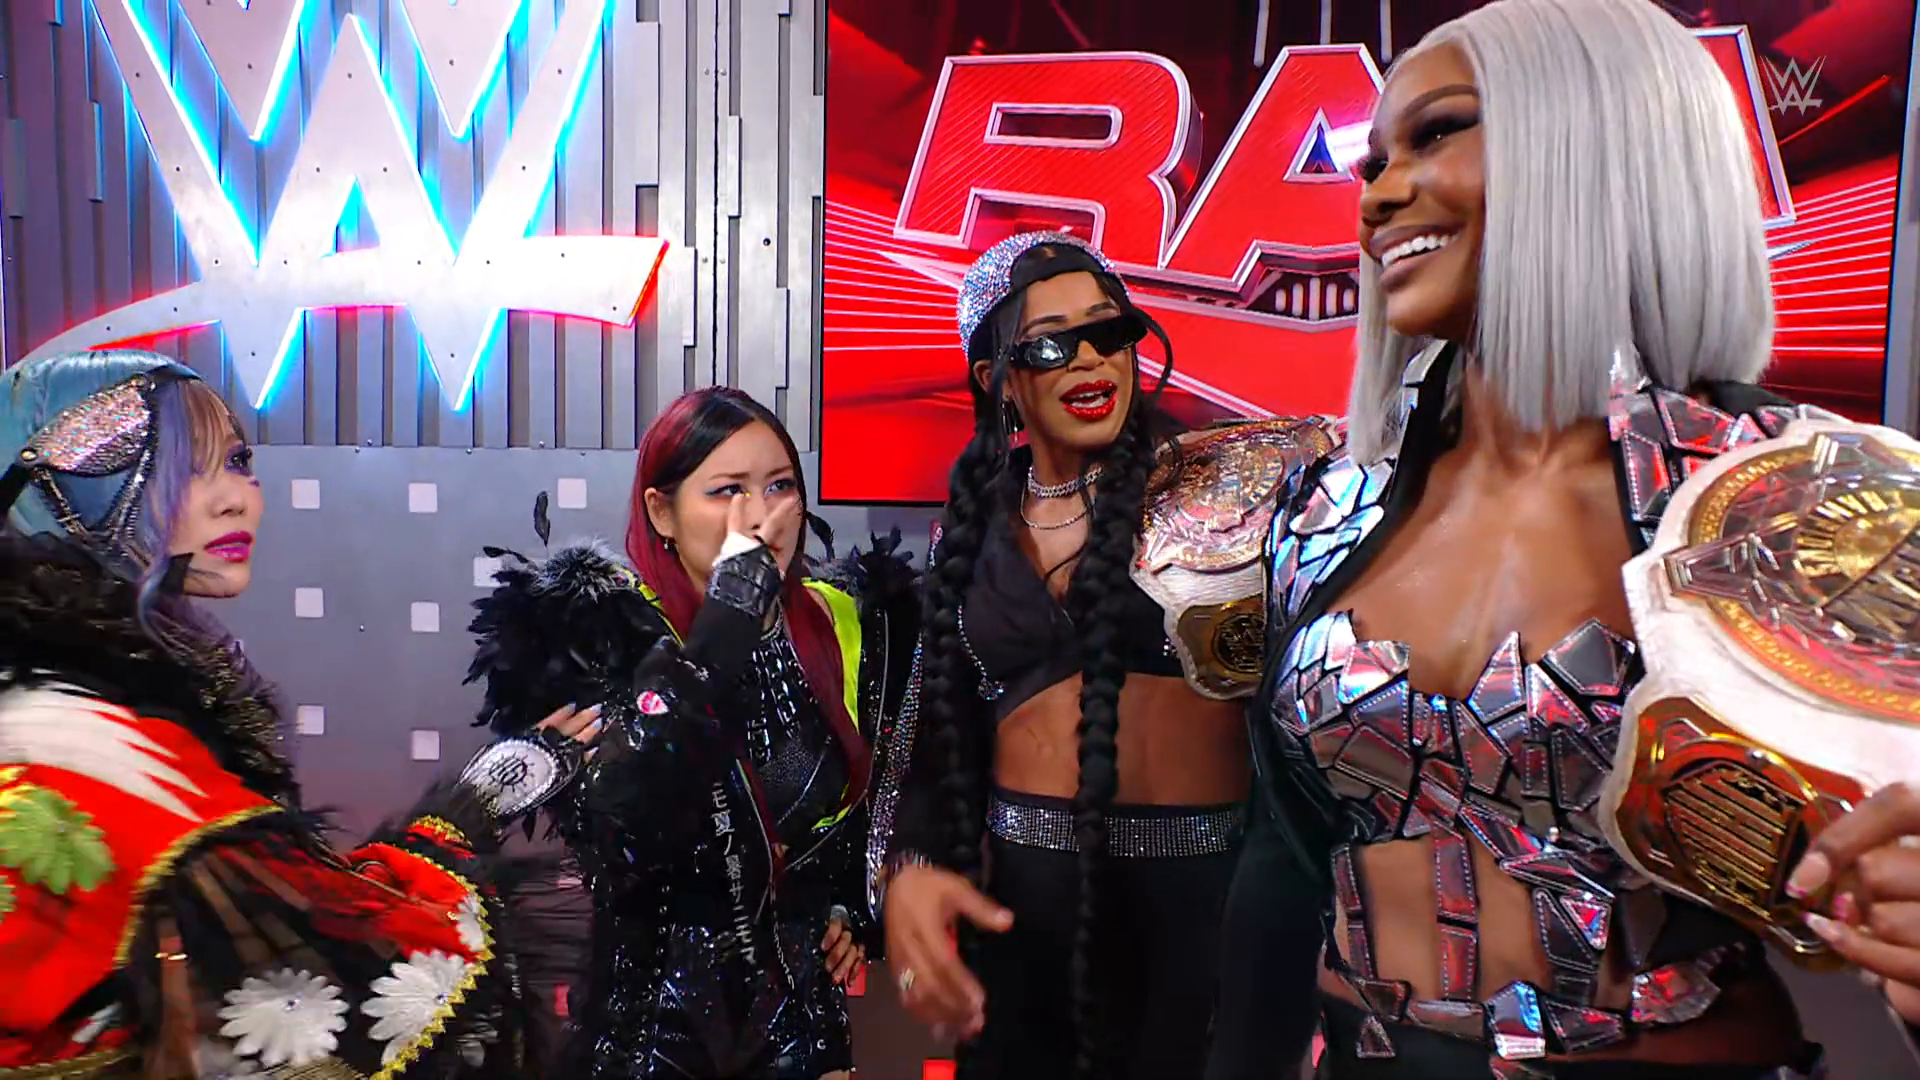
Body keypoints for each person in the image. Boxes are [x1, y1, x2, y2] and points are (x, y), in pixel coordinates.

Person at [1217, 0, 1920, 1076]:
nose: (1379, 195)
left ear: (1595, 142)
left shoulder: (1807, 503)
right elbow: (1281, 860)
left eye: (1437, 132)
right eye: (1374, 162)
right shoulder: (1323, 507)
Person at [0, 350, 592, 1078]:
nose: (236, 499)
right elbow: (321, 978)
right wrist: (454, 830)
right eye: (180, 466)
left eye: (238, 461)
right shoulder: (83, 748)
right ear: (60, 492)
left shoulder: (79, 699)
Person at [868, 230, 1331, 1080]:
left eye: (1108, 332)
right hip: (1023, 920)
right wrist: (910, 869)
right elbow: (932, 739)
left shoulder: (1239, 485)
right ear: (998, 379)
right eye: (1051, 345)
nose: (1090, 359)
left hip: (1209, 914)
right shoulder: (970, 532)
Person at [464, 386, 918, 1080]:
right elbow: (626, 821)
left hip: (802, 1024)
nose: (760, 515)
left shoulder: (847, 624)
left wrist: (847, 908)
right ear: (661, 511)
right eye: (727, 490)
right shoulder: (599, 636)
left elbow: (872, 800)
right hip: (653, 1028)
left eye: (780, 486)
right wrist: (730, 615)